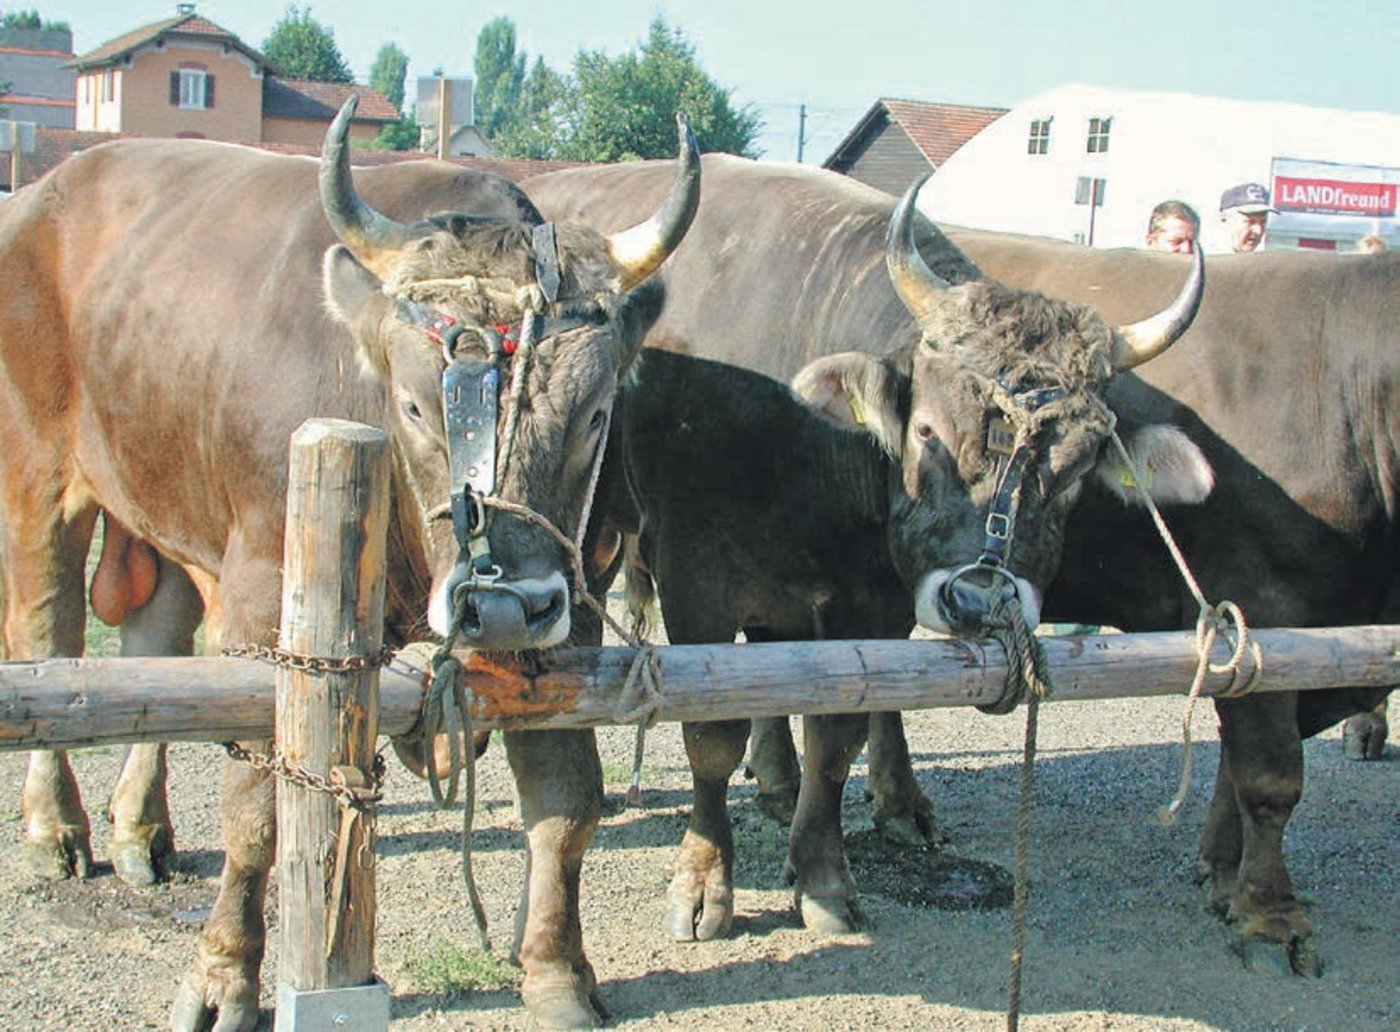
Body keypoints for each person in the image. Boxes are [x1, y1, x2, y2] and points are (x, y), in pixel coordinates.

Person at [1219, 182, 1276, 253]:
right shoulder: (1205, 261)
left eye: (1263, 222)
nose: (1258, 231)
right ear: (1224, 220)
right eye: (1249, 222)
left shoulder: (1264, 261)